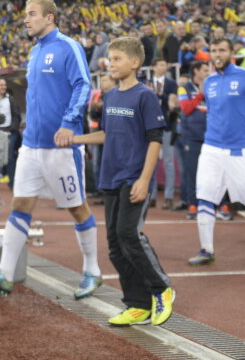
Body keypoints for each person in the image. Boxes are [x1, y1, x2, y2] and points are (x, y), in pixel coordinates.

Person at [0, 0, 100, 299]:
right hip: (31, 145)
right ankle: (5, 272)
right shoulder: (34, 52)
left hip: (61, 147)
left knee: (76, 207)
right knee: (20, 204)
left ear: (50, 18)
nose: (26, 20)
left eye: (32, 14)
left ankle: (92, 270)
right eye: (25, 14)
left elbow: (83, 85)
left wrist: (70, 122)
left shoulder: (68, 47)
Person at [70, 37, 174, 327]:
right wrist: (75, 138)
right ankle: (138, 304)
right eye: (109, 59)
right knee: (115, 244)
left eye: (116, 59)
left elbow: (155, 141)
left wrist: (144, 179)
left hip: (134, 177)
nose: (110, 63)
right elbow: (107, 134)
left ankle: (161, 288)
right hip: (111, 177)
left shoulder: (145, 95)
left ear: (135, 63)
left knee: (129, 234)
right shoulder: (112, 96)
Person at [186, 38, 245, 266]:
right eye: (213, 50)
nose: (217, 54)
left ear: (231, 53)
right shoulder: (208, 82)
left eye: (222, 50)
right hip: (210, 149)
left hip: (239, 152)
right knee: (205, 198)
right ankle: (206, 249)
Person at [177, 59, 211, 219]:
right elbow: (186, 108)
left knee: (212, 173)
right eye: (205, 69)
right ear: (196, 71)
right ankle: (193, 204)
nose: (208, 72)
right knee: (192, 172)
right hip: (191, 136)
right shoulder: (184, 88)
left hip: (211, 137)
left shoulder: (212, 86)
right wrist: (201, 95)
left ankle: (216, 204)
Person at [148, 59, 181, 210]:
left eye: (165, 64)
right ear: (153, 67)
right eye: (160, 64)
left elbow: (173, 103)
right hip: (150, 127)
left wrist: (162, 96)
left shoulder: (171, 84)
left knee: (168, 162)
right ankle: (151, 196)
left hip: (167, 126)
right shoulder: (146, 83)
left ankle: (168, 197)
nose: (163, 67)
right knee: (151, 162)